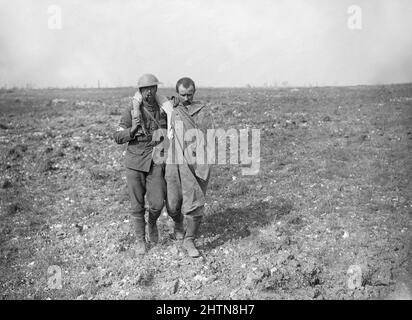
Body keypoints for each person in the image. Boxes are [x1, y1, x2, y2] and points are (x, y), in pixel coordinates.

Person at [133, 77, 214, 258]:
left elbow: (210, 138)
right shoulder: (171, 108)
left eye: (189, 94)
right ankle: (178, 223)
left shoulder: (203, 111)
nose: (186, 98)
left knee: (194, 202)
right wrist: (135, 107)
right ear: (177, 93)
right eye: (182, 94)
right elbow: (147, 97)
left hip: (194, 163)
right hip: (172, 162)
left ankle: (189, 239)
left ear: (195, 92)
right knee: (172, 203)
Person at [113, 73, 169, 256]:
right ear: (140, 91)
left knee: (157, 203)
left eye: (152, 88)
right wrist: (133, 129)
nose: (149, 93)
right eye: (145, 89)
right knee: (137, 206)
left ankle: (152, 223)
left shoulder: (163, 109)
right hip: (135, 162)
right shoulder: (131, 109)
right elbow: (117, 136)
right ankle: (140, 240)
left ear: (156, 89)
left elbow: (172, 128)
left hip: (155, 161)